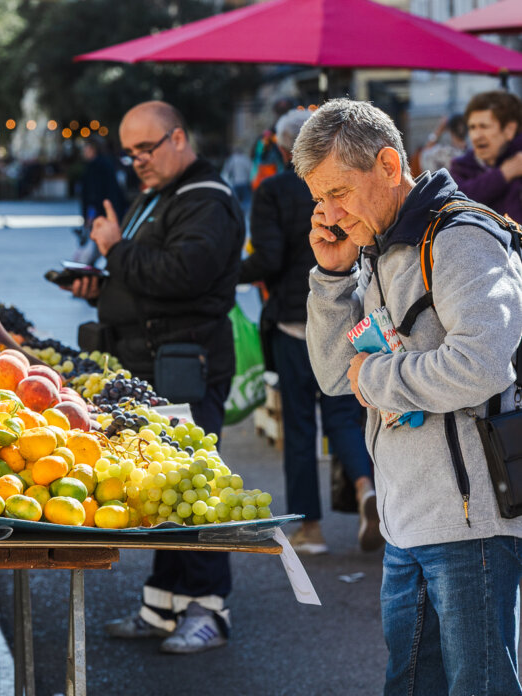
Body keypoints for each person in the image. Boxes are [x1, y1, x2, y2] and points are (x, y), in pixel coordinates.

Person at [300, 98, 522, 694]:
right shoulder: (374, 247)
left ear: (389, 165)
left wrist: (374, 379)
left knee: (478, 684)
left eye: (339, 192)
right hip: (406, 519)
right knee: (410, 683)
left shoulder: (461, 237)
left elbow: (481, 364)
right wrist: (329, 278)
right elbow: (330, 375)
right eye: (319, 198)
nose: (329, 213)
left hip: (468, 521)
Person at [69, 101, 244, 654]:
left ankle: (210, 610)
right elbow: (146, 272)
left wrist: (116, 251)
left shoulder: (207, 200)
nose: (137, 160)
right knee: (167, 489)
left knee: (197, 488)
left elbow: (182, 274)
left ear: (178, 137)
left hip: (183, 363)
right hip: (152, 362)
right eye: (130, 151)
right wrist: (105, 284)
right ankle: (163, 605)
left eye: (146, 148)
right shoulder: (160, 195)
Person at [240, 107, 379, 555]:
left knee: (298, 427)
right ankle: (365, 488)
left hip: (291, 317)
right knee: (342, 417)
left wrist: (224, 275)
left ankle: (309, 529)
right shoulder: (351, 188)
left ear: (283, 147)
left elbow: (268, 259)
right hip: (346, 311)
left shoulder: (274, 190)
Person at [449, 91, 522, 220]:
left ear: (509, 130)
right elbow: (458, 204)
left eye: (484, 126)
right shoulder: (461, 167)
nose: (477, 136)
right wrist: (503, 174)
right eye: (472, 127)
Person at [80, 136, 127, 225]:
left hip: (103, 211)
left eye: (86, 148)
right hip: (107, 209)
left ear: (93, 149)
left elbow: (94, 192)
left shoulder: (96, 166)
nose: (84, 151)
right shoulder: (104, 163)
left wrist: (90, 214)